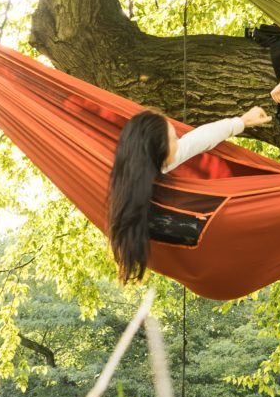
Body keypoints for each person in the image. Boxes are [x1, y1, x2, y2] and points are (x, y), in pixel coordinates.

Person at [108, 104, 271, 282]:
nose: (178, 143)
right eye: (173, 140)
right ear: (159, 149)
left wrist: (242, 121)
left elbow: (196, 140)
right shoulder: (128, 179)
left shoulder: (150, 162)